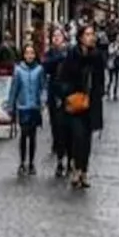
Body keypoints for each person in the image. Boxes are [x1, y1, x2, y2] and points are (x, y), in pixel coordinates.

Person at [57, 25, 106, 189]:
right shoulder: (73, 54)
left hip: (91, 103)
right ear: (80, 37)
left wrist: (98, 95)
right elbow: (64, 77)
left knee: (87, 140)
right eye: (87, 34)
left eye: (92, 34)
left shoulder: (97, 56)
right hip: (75, 102)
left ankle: (84, 171)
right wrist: (67, 95)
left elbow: (100, 79)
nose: (91, 37)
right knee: (77, 137)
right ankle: (76, 169)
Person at [6, 42, 48, 176]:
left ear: (35, 55)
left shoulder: (39, 70)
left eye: (32, 53)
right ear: (23, 55)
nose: (29, 56)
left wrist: (42, 101)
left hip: (34, 107)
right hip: (23, 107)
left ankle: (31, 163)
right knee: (24, 134)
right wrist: (10, 105)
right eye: (27, 53)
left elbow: (43, 87)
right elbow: (14, 89)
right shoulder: (18, 70)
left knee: (33, 136)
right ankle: (22, 162)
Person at [44, 28, 74, 177]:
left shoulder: (71, 52)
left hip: (68, 96)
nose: (56, 38)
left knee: (68, 129)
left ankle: (69, 160)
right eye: (54, 36)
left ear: (64, 38)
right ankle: (60, 158)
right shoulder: (50, 53)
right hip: (54, 95)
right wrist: (59, 57)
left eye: (58, 36)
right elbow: (46, 66)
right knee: (56, 127)